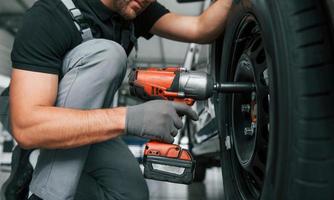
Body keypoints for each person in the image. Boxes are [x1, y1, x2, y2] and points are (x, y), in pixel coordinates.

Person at [6, 0, 233, 199]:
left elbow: (200, 28)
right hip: (34, 115)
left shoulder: (137, 9)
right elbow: (26, 126)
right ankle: (43, 194)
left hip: (87, 117)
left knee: (129, 194)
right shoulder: (50, 15)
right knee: (108, 55)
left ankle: (32, 171)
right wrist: (129, 118)